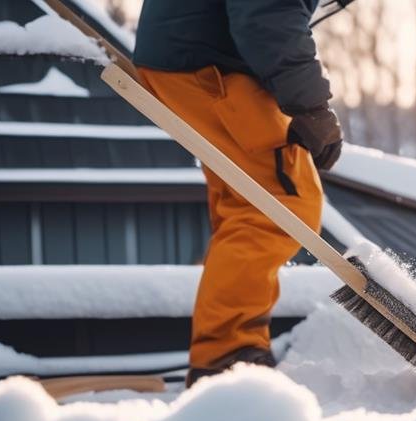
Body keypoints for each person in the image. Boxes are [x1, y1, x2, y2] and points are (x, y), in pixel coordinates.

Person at [132, 0, 342, 386]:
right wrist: (311, 106)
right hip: (202, 62)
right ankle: (226, 355)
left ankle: (230, 347)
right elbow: (268, 12)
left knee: (249, 204)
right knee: (282, 203)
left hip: (195, 54)